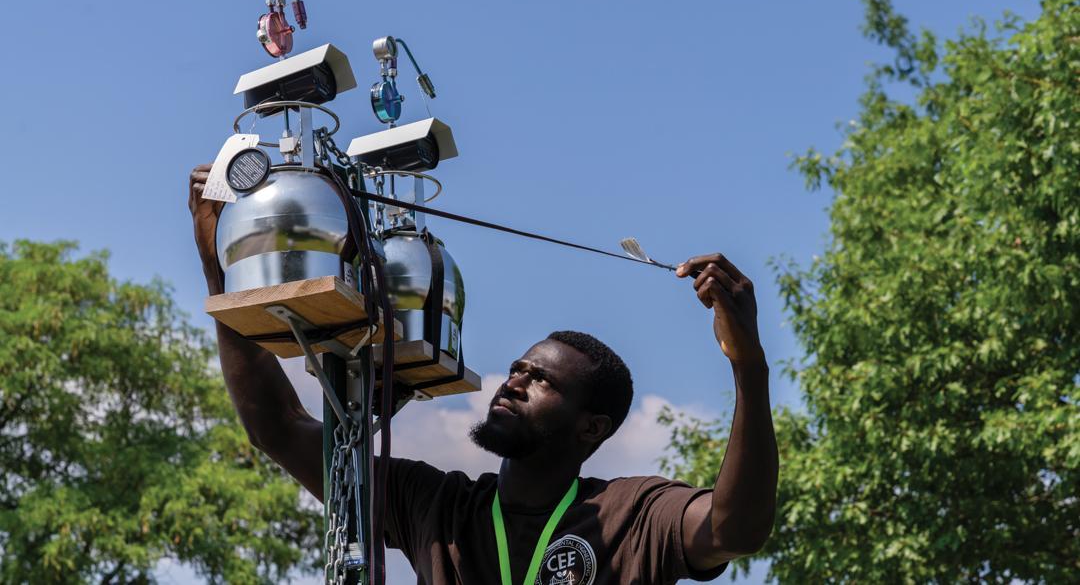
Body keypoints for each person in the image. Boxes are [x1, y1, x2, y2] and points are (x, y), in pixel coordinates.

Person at [189, 163, 779, 584]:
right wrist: (221, 276)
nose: (514, 382)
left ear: (591, 428)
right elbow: (278, 428)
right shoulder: (436, 506)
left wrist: (748, 369)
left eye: (542, 381)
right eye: (519, 369)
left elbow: (735, 530)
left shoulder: (635, 516)